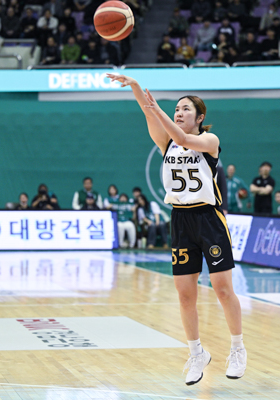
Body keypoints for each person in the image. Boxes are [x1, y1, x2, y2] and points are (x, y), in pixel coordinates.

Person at [106, 72, 246, 385]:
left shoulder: (209, 141)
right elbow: (149, 113)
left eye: (185, 109)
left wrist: (158, 109)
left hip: (209, 219)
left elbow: (183, 139)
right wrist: (135, 88)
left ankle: (238, 348)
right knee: (184, 295)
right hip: (181, 220)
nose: (179, 113)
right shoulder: (166, 143)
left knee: (223, 289)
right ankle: (196, 353)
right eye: (177, 109)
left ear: (200, 117)